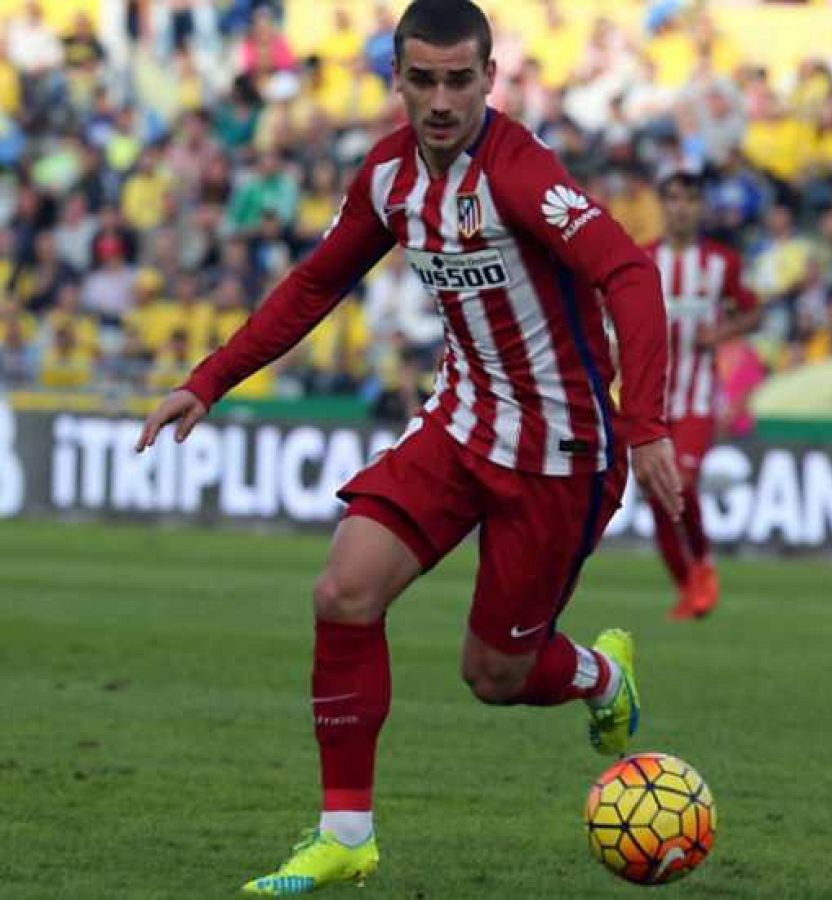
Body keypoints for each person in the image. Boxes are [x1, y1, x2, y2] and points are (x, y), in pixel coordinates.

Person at [134, 1, 682, 893]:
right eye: (421, 79)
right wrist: (208, 380)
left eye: (458, 80)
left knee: (495, 675)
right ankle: (346, 834)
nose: (439, 100)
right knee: (344, 591)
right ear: (397, 79)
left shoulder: (519, 174)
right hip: (460, 422)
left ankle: (599, 674)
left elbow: (629, 272)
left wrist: (646, 422)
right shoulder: (389, 178)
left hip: (560, 453)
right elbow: (316, 282)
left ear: (489, 80)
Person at [642, 171, 761, 619]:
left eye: (690, 199)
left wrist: (725, 331)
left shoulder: (721, 263)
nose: (681, 207)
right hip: (649, 399)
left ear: (700, 207)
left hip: (695, 397)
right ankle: (688, 584)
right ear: (663, 204)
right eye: (673, 198)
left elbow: (752, 312)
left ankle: (704, 567)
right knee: (656, 494)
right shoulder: (643, 258)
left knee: (682, 483)